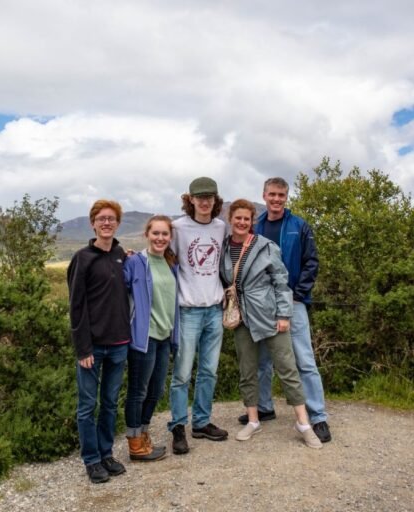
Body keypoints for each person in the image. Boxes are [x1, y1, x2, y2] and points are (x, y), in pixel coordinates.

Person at [220, 199, 322, 448]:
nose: (242, 222)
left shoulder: (266, 246)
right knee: (248, 369)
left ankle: (304, 422)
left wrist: (284, 315)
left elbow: (281, 281)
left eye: (247, 218)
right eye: (238, 218)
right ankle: (253, 420)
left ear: (252, 221)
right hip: (242, 318)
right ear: (230, 219)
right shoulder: (223, 248)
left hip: (269, 314)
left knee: (288, 368)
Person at [243, 177, 332, 443]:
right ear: (264, 195)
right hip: (260, 305)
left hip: (293, 303)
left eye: (281, 195)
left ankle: (318, 417)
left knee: (304, 360)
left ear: (286, 197)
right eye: (272, 194)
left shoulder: (299, 226)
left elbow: (311, 262)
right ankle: (264, 407)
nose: (276, 199)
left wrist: (297, 294)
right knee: (262, 361)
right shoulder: (254, 226)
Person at [67, 199, 130, 484]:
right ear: (93, 223)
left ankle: (106, 454)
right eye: (101, 218)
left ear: (117, 223)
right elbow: (76, 307)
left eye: (111, 218)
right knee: (86, 405)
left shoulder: (119, 254)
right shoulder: (82, 258)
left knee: (109, 404)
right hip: (92, 348)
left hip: (119, 343)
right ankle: (91, 460)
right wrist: (83, 348)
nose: (106, 223)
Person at [168, 177, 229, 454]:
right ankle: (178, 426)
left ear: (215, 200)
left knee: (208, 372)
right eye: (199, 197)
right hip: (188, 310)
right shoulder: (178, 228)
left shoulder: (220, 227)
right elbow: (161, 254)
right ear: (190, 199)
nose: (205, 202)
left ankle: (201, 422)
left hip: (214, 310)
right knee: (182, 373)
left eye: (210, 197)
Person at [123, 215, 179, 462]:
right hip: (143, 338)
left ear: (170, 237)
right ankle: (135, 444)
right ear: (147, 234)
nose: (160, 238)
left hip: (164, 337)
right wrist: (120, 258)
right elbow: (120, 287)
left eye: (164, 234)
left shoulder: (170, 264)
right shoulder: (135, 262)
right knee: (138, 391)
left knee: (155, 390)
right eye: (155, 233)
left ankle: (143, 435)